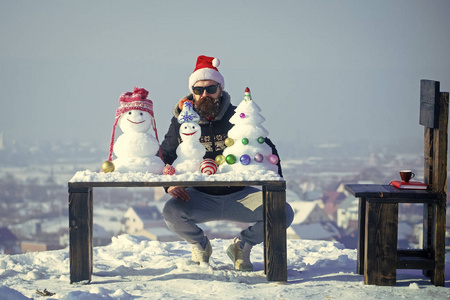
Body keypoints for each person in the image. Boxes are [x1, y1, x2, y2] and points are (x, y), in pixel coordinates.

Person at [160, 55, 294, 271]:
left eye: (211, 88)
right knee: (171, 212)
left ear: (220, 90)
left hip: (240, 196)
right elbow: (165, 154)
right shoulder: (182, 122)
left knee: (282, 212)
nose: (205, 94)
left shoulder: (238, 117)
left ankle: (242, 246)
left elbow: (267, 151)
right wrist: (170, 185)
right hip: (198, 196)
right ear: (192, 93)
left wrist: (272, 189)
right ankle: (200, 245)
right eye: (198, 89)